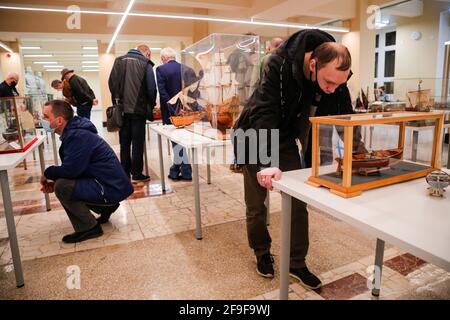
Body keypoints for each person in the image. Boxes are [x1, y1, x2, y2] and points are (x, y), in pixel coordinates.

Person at [233, 29, 366, 289]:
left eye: (339, 84)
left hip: (284, 135)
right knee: (257, 201)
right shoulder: (278, 63)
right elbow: (265, 112)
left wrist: (358, 153)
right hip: (254, 131)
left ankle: (297, 262)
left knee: (297, 200)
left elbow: (343, 117)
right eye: (328, 82)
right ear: (313, 64)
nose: (332, 89)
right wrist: (266, 162)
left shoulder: (334, 74)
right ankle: (261, 252)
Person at [40, 100, 134, 243]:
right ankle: (106, 208)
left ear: (59, 120)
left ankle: (88, 228)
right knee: (63, 183)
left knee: (62, 186)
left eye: (46, 116)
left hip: (111, 187)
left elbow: (70, 171)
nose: (42, 120)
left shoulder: (77, 136)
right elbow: (78, 170)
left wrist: (48, 173)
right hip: (111, 185)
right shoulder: (75, 133)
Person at [109, 44, 157, 182]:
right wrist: (150, 105)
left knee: (124, 143)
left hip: (122, 110)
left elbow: (111, 83)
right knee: (137, 142)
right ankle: (136, 173)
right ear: (146, 53)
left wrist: (117, 102)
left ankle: (124, 173)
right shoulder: (146, 63)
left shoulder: (119, 60)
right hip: (139, 110)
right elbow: (151, 89)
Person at [156, 47, 200, 181]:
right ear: (174, 57)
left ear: (164, 58)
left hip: (171, 113)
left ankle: (185, 171)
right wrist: (187, 108)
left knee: (176, 140)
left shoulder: (161, 69)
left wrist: (174, 109)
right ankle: (176, 169)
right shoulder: (188, 69)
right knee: (181, 140)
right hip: (187, 112)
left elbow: (163, 93)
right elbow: (194, 92)